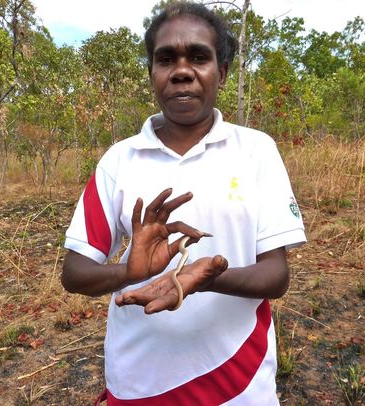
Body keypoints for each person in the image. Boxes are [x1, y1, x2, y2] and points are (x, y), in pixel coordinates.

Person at [62, 2, 306, 405]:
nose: (181, 70)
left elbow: (276, 276)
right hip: (141, 381)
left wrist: (204, 277)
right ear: (153, 74)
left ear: (221, 73)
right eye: (165, 59)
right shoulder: (119, 160)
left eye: (198, 56)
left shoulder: (257, 151)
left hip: (240, 381)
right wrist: (129, 271)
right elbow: (74, 272)